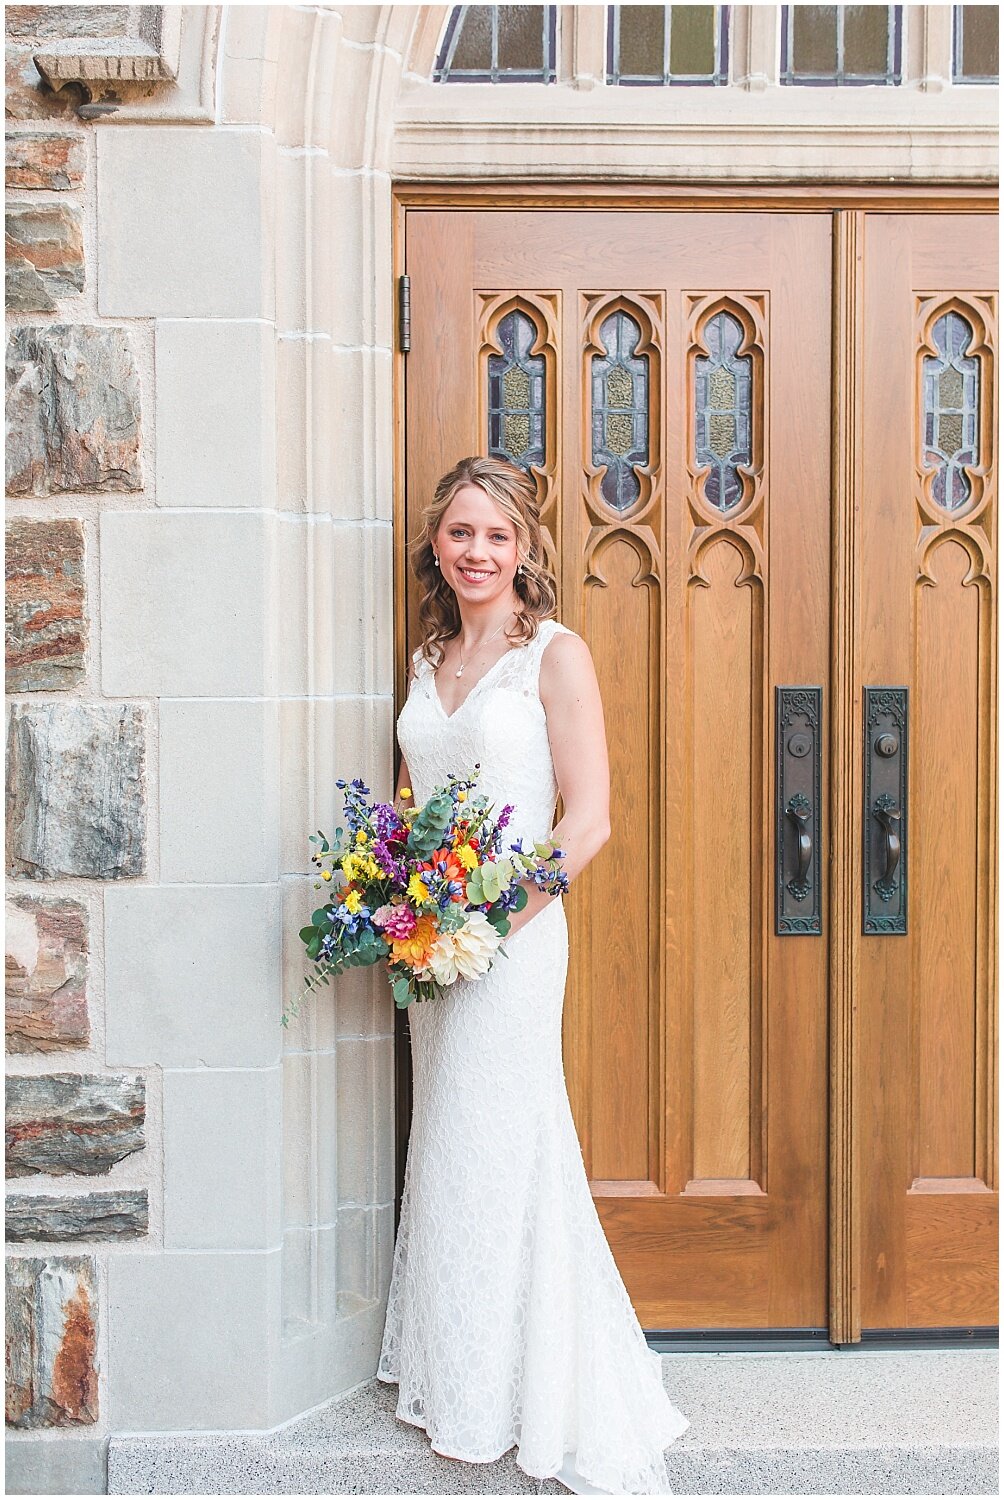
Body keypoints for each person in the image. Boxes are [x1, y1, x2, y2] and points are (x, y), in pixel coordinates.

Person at [376, 455, 690, 1494]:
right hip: (437, 941)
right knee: (453, 1140)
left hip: (511, 941)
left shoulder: (552, 654)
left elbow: (588, 819)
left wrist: (482, 923)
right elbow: (410, 806)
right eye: (460, 533)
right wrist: (402, 903)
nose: (476, 552)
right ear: (437, 542)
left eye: (496, 537)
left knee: (499, 1137)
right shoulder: (428, 658)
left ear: (525, 550)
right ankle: (466, 1369)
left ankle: (531, 1387)